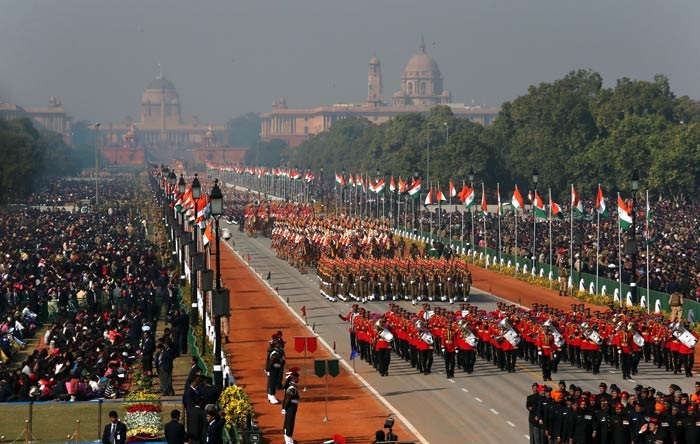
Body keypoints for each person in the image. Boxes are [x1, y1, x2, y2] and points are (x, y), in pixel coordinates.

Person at [281, 367, 301, 444]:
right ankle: (288, 441)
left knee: (288, 422)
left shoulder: (292, 386)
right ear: (294, 378)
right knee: (290, 423)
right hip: (290, 407)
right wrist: (284, 408)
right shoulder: (292, 388)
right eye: (297, 378)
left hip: (291, 407)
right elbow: (288, 399)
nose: (298, 379)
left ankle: (288, 439)